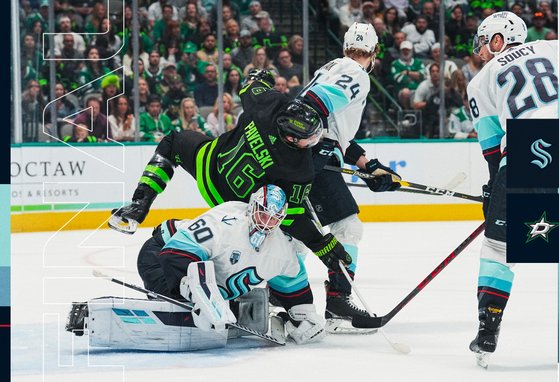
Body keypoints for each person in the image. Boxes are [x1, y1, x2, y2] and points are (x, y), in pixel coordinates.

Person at [109, 71, 355, 297]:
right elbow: (293, 218)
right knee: (270, 242)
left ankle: (139, 204)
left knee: (172, 143)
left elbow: (251, 84)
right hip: (235, 207)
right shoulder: (301, 170)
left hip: (209, 164)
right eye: (307, 139)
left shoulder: (268, 102)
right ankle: (266, 292)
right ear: (291, 137)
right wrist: (321, 243)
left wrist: (262, 77)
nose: (312, 141)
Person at [297, 22, 402, 332]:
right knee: (347, 226)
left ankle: (283, 299)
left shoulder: (330, 67)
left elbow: (335, 127)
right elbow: (315, 107)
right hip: (317, 152)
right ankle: (338, 301)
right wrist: (316, 149)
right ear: (374, 52)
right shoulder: (356, 73)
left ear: (345, 46)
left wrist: (368, 165)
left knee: (296, 230)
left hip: (308, 152)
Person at [466, 11, 557, 363]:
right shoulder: (553, 46)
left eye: (485, 45)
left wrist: (494, 193)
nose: (482, 53)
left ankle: (487, 331)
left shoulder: (481, 80)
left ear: (498, 40)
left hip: (528, 151)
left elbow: (492, 150)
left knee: (499, 249)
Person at [135, 185, 326, 345]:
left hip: (200, 272)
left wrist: (303, 317)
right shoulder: (226, 221)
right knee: (191, 306)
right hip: (160, 254)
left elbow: (294, 286)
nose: (267, 222)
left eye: (274, 217)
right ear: (252, 207)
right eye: (263, 214)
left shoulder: (281, 251)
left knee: (214, 313)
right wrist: (200, 296)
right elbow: (174, 255)